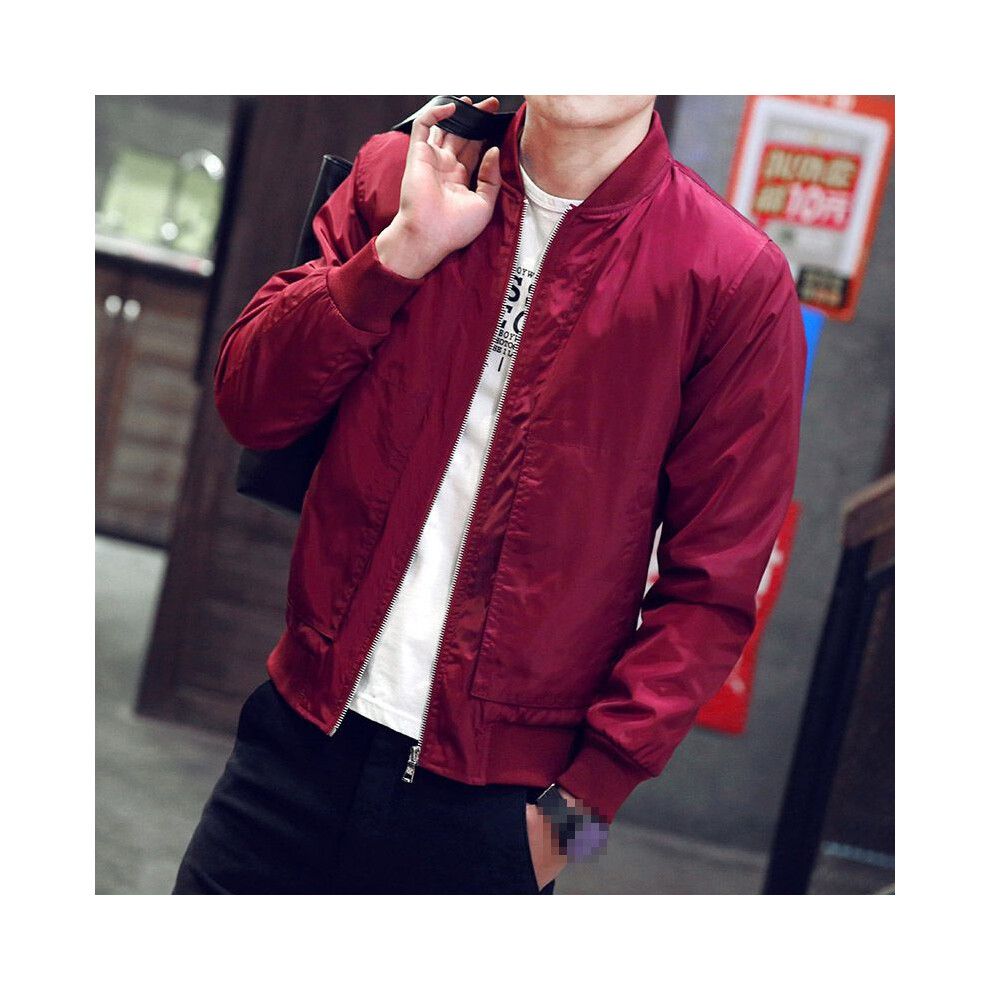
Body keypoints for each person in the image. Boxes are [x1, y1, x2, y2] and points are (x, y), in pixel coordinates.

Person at [173, 95, 807, 895]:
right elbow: (251, 405)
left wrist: (570, 830)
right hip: (293, 743)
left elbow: (712, 592)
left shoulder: (733, 277)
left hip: (497, 816)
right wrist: (402, 250)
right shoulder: (398, 174)